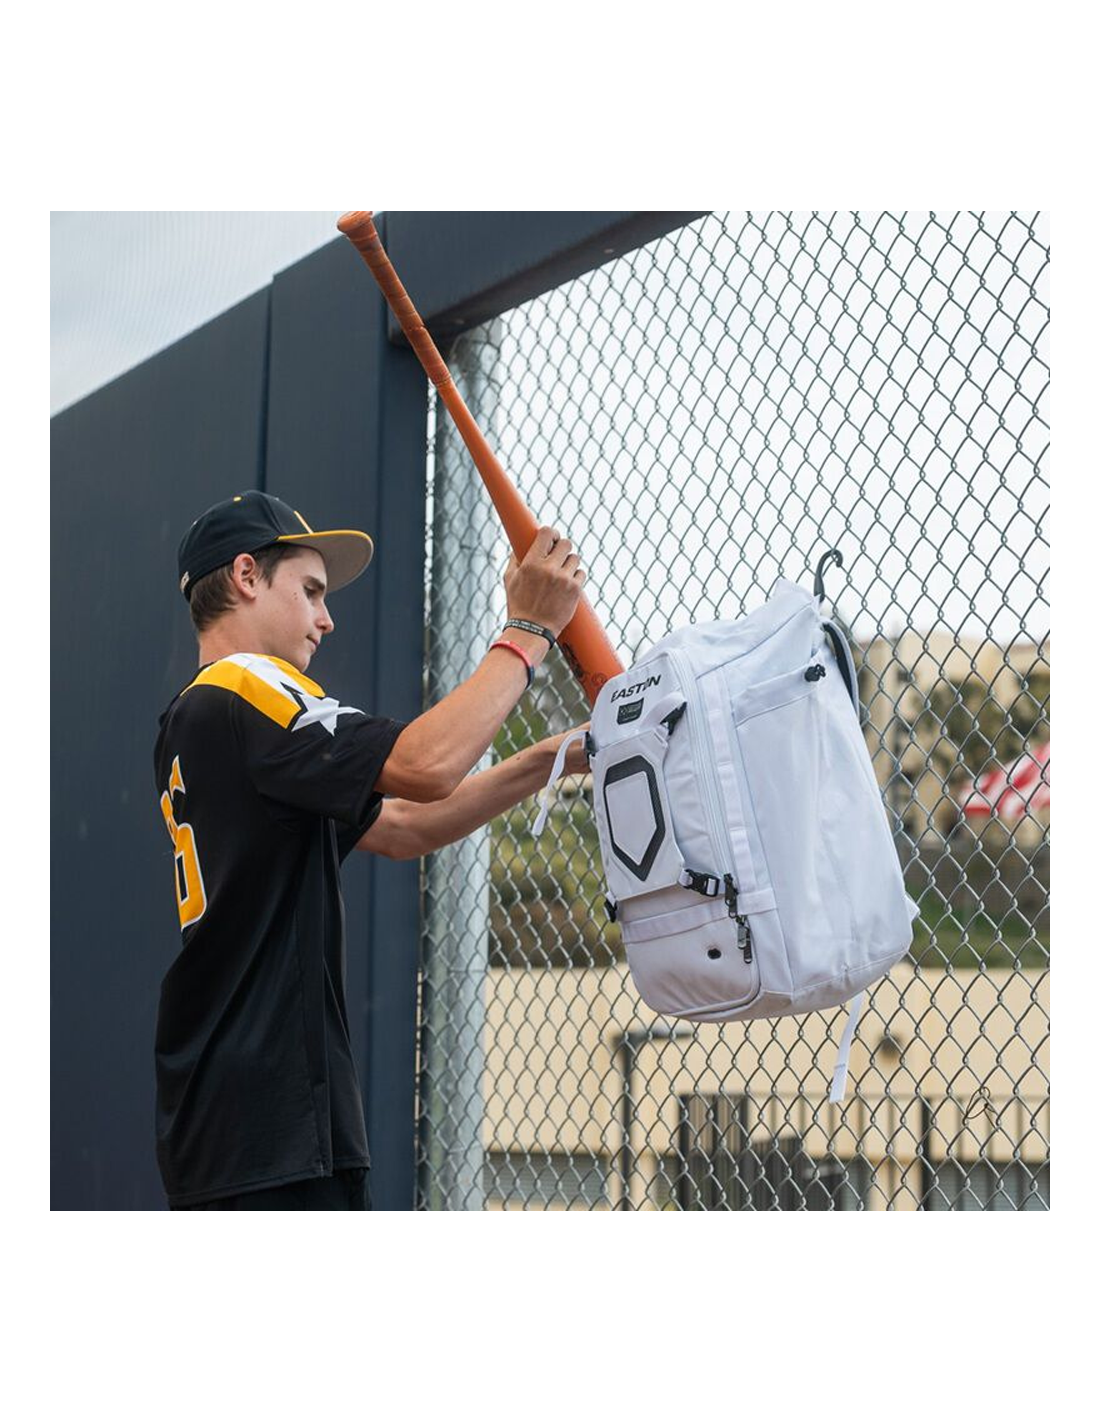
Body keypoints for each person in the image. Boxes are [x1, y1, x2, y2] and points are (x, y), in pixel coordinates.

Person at [155, 489, 589, 1210]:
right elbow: (426, 765)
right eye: (311, 591)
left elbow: (405, 826)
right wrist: (528, 630)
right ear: (246, 576)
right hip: (270, 1119)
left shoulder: (196, 718)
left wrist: (550, 759)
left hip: (230, 1115)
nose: (327, 618)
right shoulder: (246, 686)